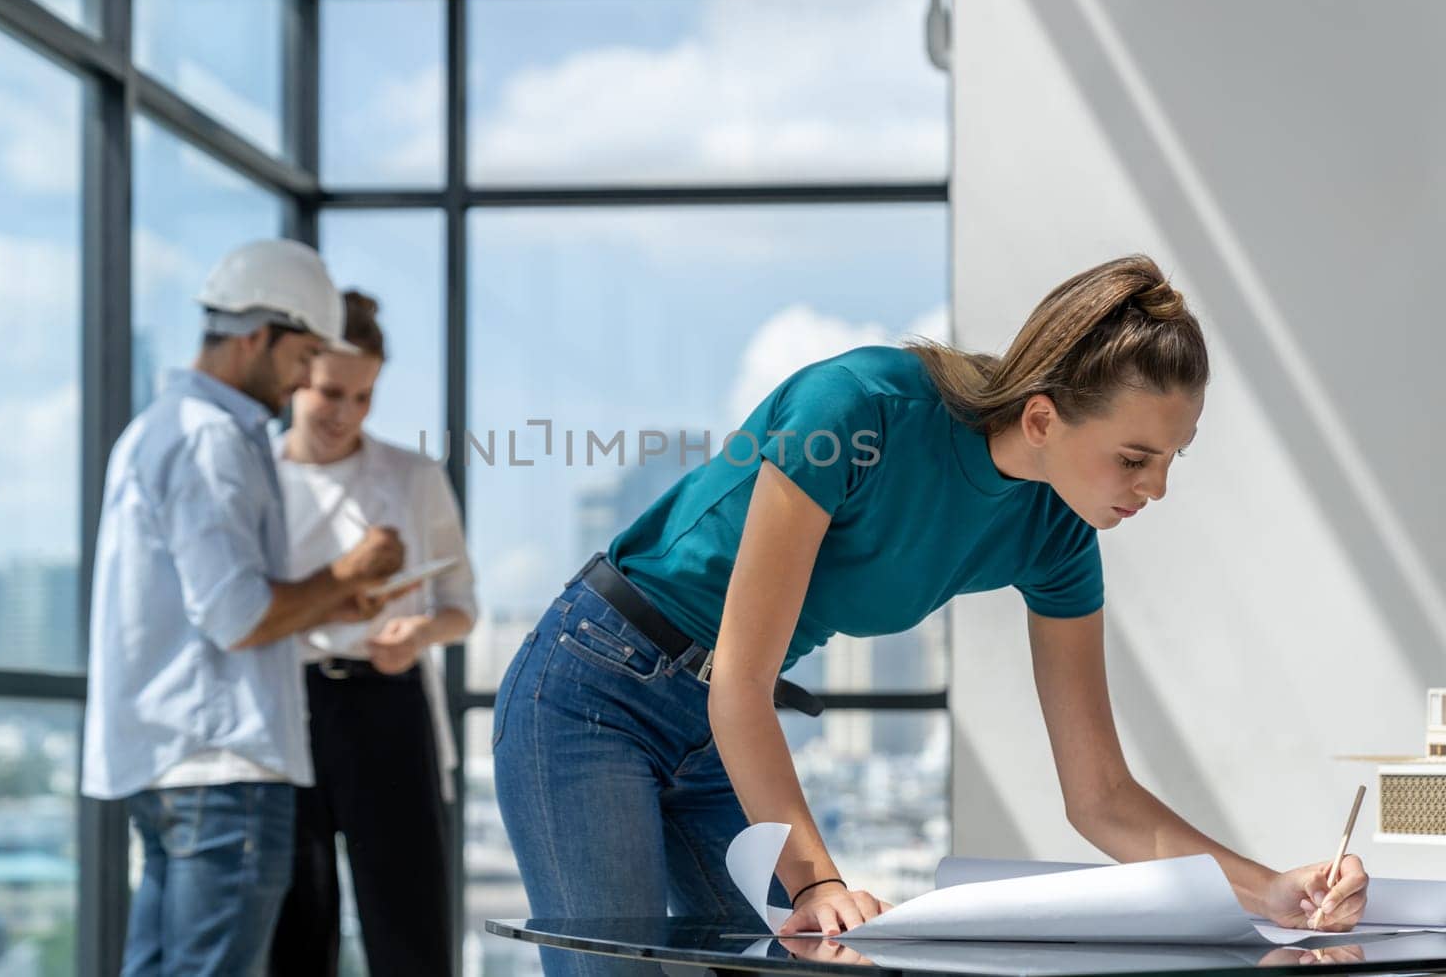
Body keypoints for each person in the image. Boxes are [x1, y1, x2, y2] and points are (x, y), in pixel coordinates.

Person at [493, 256, 1370, 976]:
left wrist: (1273, 891)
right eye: (1136, 457)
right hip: (596, 689)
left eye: (1173, 458)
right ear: (1041, 416)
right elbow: (742, 681)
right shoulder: (859, 410)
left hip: (723, 729)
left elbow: (1099, 795)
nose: (1158, 487)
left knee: (801, 967)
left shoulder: (1057, 537)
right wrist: (817, 882)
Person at [82, 240, 409, 977]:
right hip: (221, 768)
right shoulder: (210, 439)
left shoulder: (162, 428)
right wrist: (348, 569)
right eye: (301, 360)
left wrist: (336, 593)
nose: (303, 382)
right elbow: (240, 617)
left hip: (178, 765)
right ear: (258, 335)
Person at [269, 291, 477, 977]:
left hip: (389, 704)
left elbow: (462, 606)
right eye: (332, 392)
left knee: (410, 927)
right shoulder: (257, 478)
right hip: (285, 708)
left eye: (364, 397)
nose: (347, 413)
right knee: (296, 930)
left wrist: (419, 632)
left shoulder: (412, 476)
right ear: (297, 378)